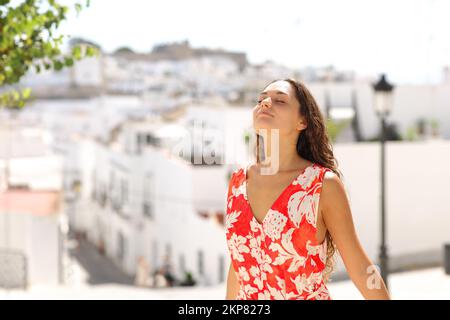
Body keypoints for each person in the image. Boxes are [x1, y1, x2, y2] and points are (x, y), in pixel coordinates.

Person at [225, 78, 390, 300]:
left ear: (302, 121)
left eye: (280, 101)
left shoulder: (322, 185)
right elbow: (239, 263)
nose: (265, 103)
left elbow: (361, 267)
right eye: (261, 99)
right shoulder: (238, 182)